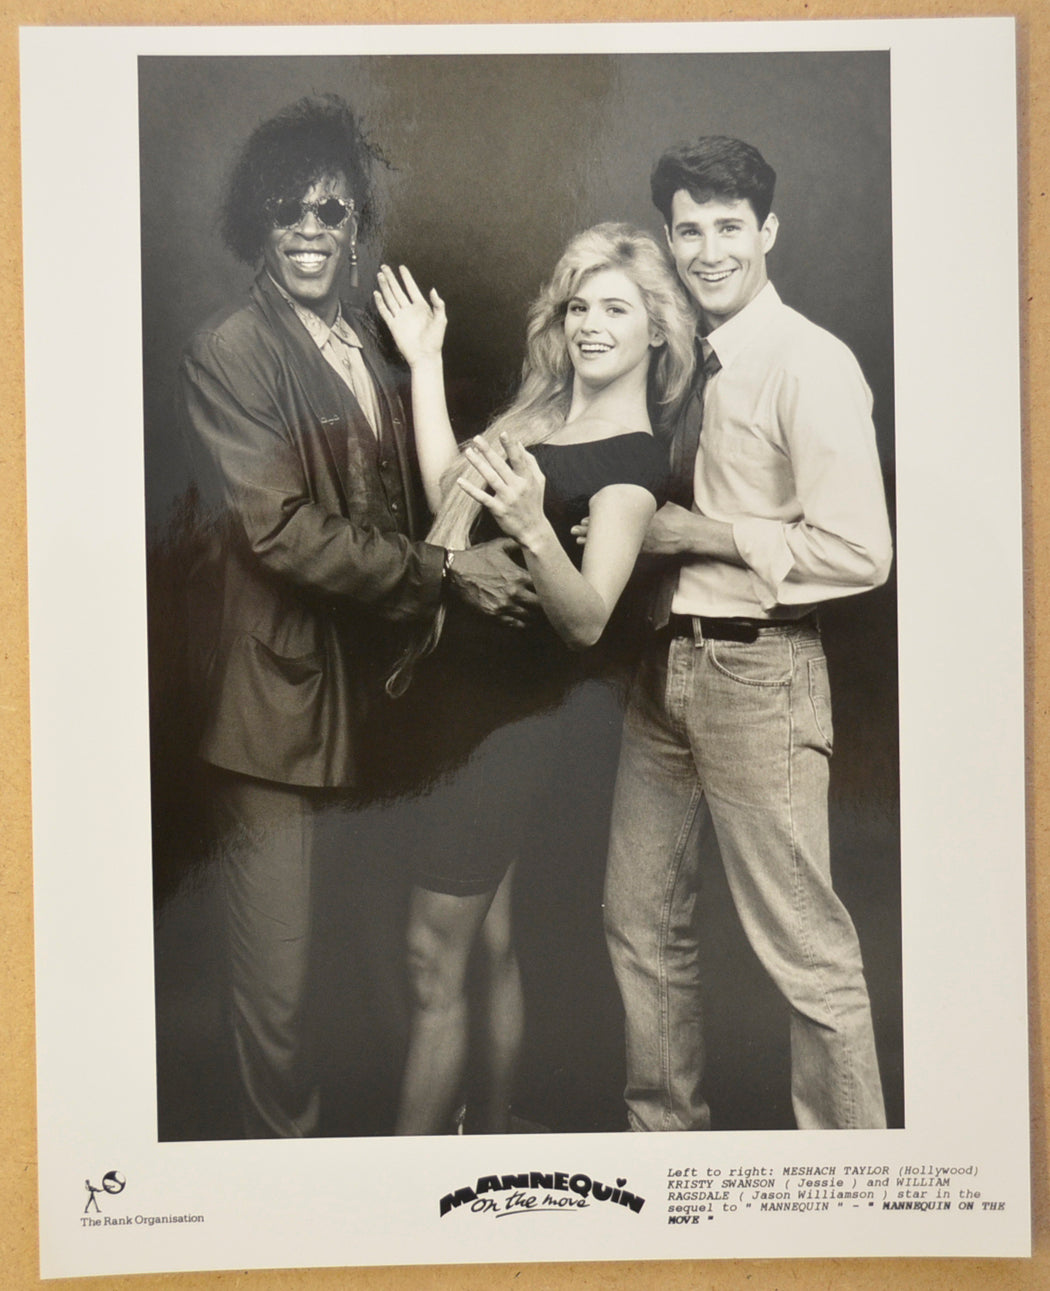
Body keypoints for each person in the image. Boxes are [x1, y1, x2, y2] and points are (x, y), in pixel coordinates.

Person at [177, 95, 533, 1137]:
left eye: (329, 210)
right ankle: (286, 1191)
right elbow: (281, 532)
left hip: (374, 711)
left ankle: (369, 1189)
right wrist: (446, 573)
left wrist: (425, 369)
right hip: (273, 719)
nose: (307, 229)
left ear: (355, 223)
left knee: (368, 976)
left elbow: (407, 502)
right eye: (286, 209)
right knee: (279, 1004)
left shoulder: (364, 351)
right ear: (257, 219)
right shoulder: (231, 348)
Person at [373, 223, 696, 1134]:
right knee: (489, 947)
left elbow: (588, 619)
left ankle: (402, 1182)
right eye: (579, 305)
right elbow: (448, 498)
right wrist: (425, 364)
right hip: (456, 713)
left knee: (430, 958)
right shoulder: (541, 414)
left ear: (657, 330)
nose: (591, 324)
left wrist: (534, 525)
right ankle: (491, 1141)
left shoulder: (631, 460)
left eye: (617, 309)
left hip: (504, 733)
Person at [601, 137, 893, 1131]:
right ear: (668, 238)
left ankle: (854, 1190)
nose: (710, 250)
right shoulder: (674, 356)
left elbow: (862, 551)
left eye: (731, 227)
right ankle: (667, 1163)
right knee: (639, 925)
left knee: (806, 950)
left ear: (768, 230)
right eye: (690, 230)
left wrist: (704, 535)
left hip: (759, 672)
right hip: (661, 669)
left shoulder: (809, 362)